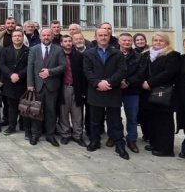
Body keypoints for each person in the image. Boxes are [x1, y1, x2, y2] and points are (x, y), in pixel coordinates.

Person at [84, 27, 129, 160]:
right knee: (94, 119)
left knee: (115, 120)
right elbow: (87, 71)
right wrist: (98, 83)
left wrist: (108, 83)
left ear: (109, 37)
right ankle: (94, 141)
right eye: (100, 35)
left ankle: (119, 144)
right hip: (95, 90)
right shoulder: (89, 53)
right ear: (95, 37)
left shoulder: (118, 53)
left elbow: (122, 71)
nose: (103, 37)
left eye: (106, 35)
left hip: (112, 91)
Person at [132, 32, 181, 157]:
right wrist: (138, 81)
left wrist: (150, 82)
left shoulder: (172, 55)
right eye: (156, 40)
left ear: (166, 42)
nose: (158, 42)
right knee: (151, 119)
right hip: (147, 92)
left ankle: (165, 149)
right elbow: (141, 70)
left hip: (163, 92)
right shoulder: (146, 55)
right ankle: (154, 143)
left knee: (164, 121)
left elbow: (169, 73)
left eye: (161, 40)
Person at [26, 28, 67, 146]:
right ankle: (35, 134)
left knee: (51, 111)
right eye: (44, 35)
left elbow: (63, 66)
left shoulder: (58, 50)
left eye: (48, 35)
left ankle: (50, 135)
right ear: (40, 37)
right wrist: (30, 84)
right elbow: (30, 67)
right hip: (37, 86)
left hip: (52, 86)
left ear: (52, 36)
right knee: (36, 111)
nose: (46, 37)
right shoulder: (34, 49)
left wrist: (50, 72)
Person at [58, 33, 87, 147]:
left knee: (77, 113)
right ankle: (65, 134)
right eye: (65, 41)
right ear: (61, 44)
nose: (68, 43)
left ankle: (77, 135)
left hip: (76, 88)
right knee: (63, 112)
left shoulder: (79, 56)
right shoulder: (58, 56)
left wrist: (84, 91)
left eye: (69, 41)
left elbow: (83, 74)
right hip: (63, 87)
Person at [0, 30, 29, 135]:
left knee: (25, 107)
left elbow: (29, 66)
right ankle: (11, 126)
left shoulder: (28, 51)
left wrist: (19, 75)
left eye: (19, 36)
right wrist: (11, 74)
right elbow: (2, 65)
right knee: (12, 106)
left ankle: (26, 128)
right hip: (10, 82)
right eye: (15, 36)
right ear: (12, 38)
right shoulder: (6, 50)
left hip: (23, 83)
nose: (17, 38)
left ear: (22, 38)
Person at [118, 33, 141, 152]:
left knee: (132, 117)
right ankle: (115, 137)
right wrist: (117, 81)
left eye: (129, 41)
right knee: (115, 116)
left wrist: (127, 82)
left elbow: (141, 73)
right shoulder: (113, 54)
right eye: (124, 40)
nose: (126, 43)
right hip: (115, 90)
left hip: (132, 90)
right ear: (119, 42)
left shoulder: (138, 56)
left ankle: (132, 140)